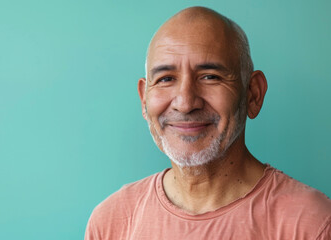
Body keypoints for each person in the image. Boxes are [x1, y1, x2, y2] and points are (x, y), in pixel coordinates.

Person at [85, 6, 331, 239]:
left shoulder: (312, 225)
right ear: (144, 100)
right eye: (166, 78)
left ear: (253, 94)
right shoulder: (110, 222)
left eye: (210, 77)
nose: (185, 102)